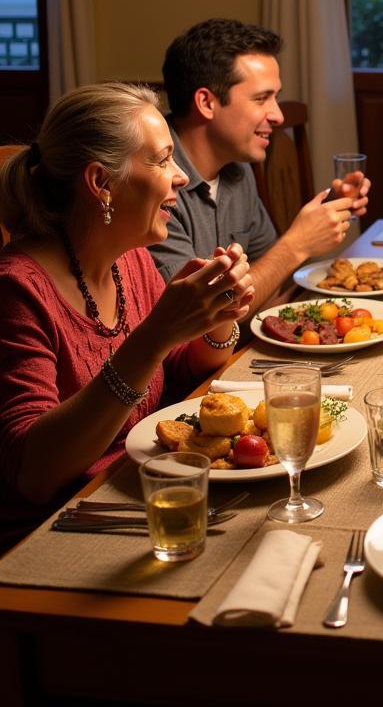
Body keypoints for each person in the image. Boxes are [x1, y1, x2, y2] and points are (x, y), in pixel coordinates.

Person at [0, 83, 254, 551]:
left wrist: (217, 317)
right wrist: (155, 335)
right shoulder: (18, 290)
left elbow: (175, 374)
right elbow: (33, 474)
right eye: (161, 161)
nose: (180, 177)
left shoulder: (128, 260)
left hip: (142, 494)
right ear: (101, 183)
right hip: (56, 533)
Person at [149, 18, 368, 313]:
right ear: (206, 102)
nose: (277, 115)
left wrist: (326, 215)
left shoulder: (237, 171)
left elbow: (270, 282)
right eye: (262, 98)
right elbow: (197, 320)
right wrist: (297, 244)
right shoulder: (152, 182)